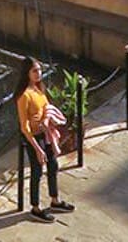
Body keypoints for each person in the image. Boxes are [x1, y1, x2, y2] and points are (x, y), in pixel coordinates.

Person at [13, 57, 76, 222]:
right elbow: (24, 126)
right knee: (37, 170)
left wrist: (46, 122)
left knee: (53, 165)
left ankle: (55, 200)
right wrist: (37, 148)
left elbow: (45, 108)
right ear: (27, 73)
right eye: (35, 71)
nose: (38, 73)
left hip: (44, 133)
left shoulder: (39, 89)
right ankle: (35, 207)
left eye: (39, 70)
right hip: (33, 137)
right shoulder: (24, 95)